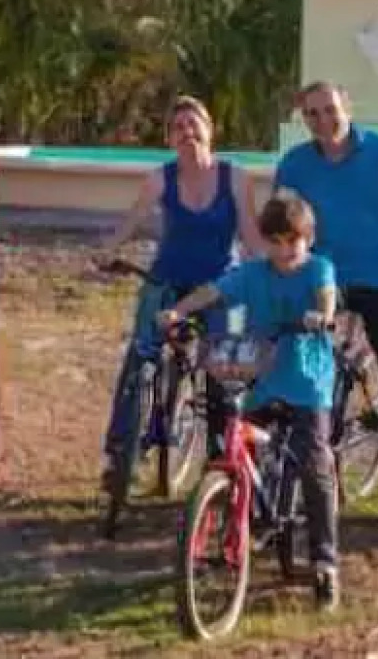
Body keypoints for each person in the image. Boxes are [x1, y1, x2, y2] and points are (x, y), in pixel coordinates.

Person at [156, 192, 343, 610]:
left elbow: (326, 296)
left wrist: (322, 316)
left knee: (314, 464)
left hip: (307, 382)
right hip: (262, 378)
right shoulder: (252, 273)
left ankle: (325, 562)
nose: (284, 250)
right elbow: (214, 291)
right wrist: (179, 311)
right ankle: (243, 517)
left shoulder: (319, 268)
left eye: (292, 241)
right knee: (241, 447)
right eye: (275, 241)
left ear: (309, 239)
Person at [273, 81, 378, 531]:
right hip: (321, 281)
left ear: (348, 108)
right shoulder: (295, 165)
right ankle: (297, 484)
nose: (323, 121)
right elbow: (282, 229)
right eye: (312, 114)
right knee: (295, 372)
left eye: (330, 109)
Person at [92, 96, 259, 490]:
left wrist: (271, 273)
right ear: (169, 139)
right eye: (177, 127)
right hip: (166, 281)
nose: (187, 133)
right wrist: (108, 250)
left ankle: (221, 455)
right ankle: (121, 455)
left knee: (226, 364)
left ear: (210, 130)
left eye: (193, 124)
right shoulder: (159, 179)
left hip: (221, 286)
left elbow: (251, 237)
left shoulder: (236, 178)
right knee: (140, 359)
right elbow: (131, 223)